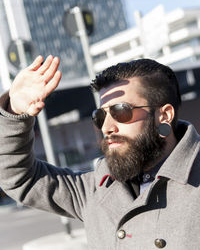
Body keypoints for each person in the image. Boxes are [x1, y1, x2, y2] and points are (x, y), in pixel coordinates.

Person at [0, 54, 200, 250]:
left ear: (164, 115)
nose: (106, 127)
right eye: (100, 116)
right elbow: (19, 178)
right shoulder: (97, 189)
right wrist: (14, 111)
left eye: (121, 111)